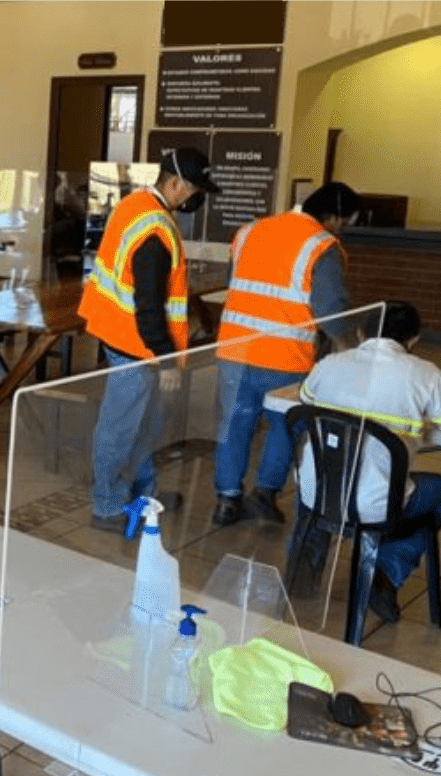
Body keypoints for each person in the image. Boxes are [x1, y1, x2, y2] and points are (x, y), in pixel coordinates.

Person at [294, 301, 441, 622]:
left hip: (316, 493)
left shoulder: (330, 363)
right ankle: (386, 575)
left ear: (360, 333)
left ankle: (303, 570)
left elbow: (305, 402)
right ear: (413, 341)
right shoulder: (424, 374)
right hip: (375, 505)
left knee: (323, 472)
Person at [77, 146, 219, 533]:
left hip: (124, 338)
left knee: (140, 427)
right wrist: (168, 360)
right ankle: (106, 506)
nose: (197, 199)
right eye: (194, 190)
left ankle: (144, 494)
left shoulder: (136, 204)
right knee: (119, 428)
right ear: (176, 184)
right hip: (136, 347)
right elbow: (150, 306)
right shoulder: (155, 230)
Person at [212, 182, 362, 527]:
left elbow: (234, 280)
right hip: (284, 356)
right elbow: (331, 307)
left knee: (235, 423)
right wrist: (348, 348)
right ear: (333, 215)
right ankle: (264, 494)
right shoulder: (321, 245)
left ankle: (226, 500)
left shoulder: (250, 231)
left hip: (234, 349)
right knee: (284, 426)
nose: (342, 230)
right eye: (344, 222)